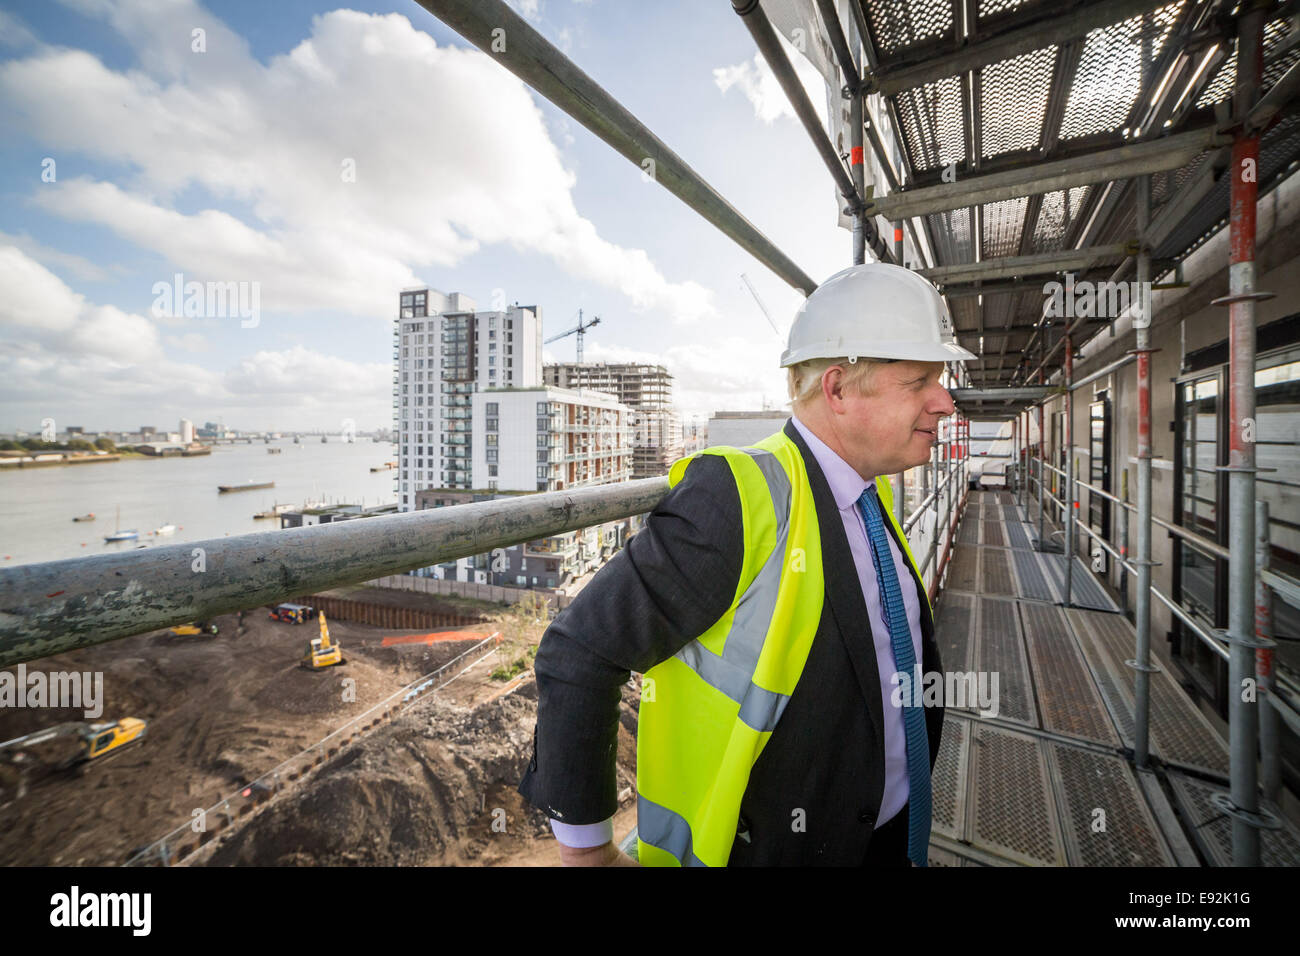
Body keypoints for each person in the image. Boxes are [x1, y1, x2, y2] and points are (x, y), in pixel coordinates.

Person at [517, 262, 976, 866]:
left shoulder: (869, 494)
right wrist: (589, 855)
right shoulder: (736, 499)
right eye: (919, 381)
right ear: (836, 389)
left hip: (882, 834)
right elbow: (579, 651)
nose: (945, 401)